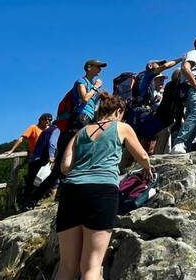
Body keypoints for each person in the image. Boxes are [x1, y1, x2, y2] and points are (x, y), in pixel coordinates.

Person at [56, 93, 152, 280]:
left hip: (71, 191)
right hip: (102, 191)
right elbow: (143, 157)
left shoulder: (80, 132)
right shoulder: (122, 127)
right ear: (118, 111)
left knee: (67, 267)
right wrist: (148, 170)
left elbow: (65, 167)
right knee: (91, 267)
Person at [32, 59, 108, 207]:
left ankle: (59, 196)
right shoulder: (81, 81)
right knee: (64, 163)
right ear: (89, 67)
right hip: (79, 120)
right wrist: (96, 88)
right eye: (98, 66)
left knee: (74, 160)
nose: (100, 69)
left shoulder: (91, 85)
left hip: (86, 120)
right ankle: (33, 199)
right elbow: (85, 99)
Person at [23, 121, 60, 209]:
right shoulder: (56, 130)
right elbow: (52, 143)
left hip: (34, 158)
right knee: (40, 182)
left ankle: (26, 203)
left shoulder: (46, 131)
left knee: (31, 183)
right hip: (42, 159)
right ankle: (31, 202)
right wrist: (51, 156)